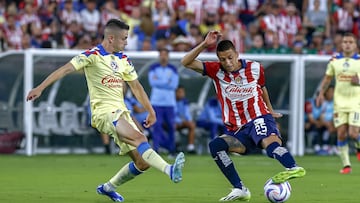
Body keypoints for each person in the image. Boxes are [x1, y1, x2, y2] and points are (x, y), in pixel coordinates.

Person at [26, 19, 185, 202]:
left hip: (121, 112)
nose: (126, 42)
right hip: (104, 113)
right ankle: (169, 169)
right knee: (141, 138)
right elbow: (64, 70)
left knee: (142, 163)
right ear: (111, 38)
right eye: (124, 39)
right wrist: (40, 88)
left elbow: (136, 87)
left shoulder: (123, 59)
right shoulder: (92, 55)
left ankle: (108, 188)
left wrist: (151, 111)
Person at [181, 30, 306, 201]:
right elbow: (185, 62)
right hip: (238, 129)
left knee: (269, 144)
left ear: (237, 54)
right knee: (216, 146)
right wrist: (204, 44)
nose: (228, 62)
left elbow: (262, 88)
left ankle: (293, 167)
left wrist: (269, 109)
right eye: (223, 59)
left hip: (258, 117)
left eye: (230, 57)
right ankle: (240, 189)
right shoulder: (216, 71)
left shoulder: (255, 68)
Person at [316, 32, 360, 174]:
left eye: (350, 42)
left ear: (355, 45)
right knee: (341, 133)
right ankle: (346, 165)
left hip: (356, 102)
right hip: (339, 103)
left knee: (353, 133)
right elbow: (327, 79)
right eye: (345, 41)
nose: (347, 44)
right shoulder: (334, 60)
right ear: (341, 44)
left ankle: (358, 148)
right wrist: (321, 93)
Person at [148, 48, 179, 156]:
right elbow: (152, 82)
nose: (163, 57)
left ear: (168, 56)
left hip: (170, 103)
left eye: (165, 54)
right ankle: (156, 149)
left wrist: (159, 82)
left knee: (171, 126)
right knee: (157, 126)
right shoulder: (153, 68)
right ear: (159, 56)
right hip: (156, 102)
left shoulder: (173, 69)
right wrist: (167, 82)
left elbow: (174, 85)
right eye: (161, 54)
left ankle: (172, 150)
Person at [175, 85, 196, 154]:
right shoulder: (171, 101)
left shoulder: (184, 101)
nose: (182, 94)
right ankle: (174, 147)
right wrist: (180, 121)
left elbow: (187, 114)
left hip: (181, 122)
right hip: (170, 122)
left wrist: (189, 121)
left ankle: (191, 147)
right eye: (180, 92)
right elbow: (172, 114)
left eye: (183, 92)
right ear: (175, 92)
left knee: (192, 125)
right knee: (173, 125)